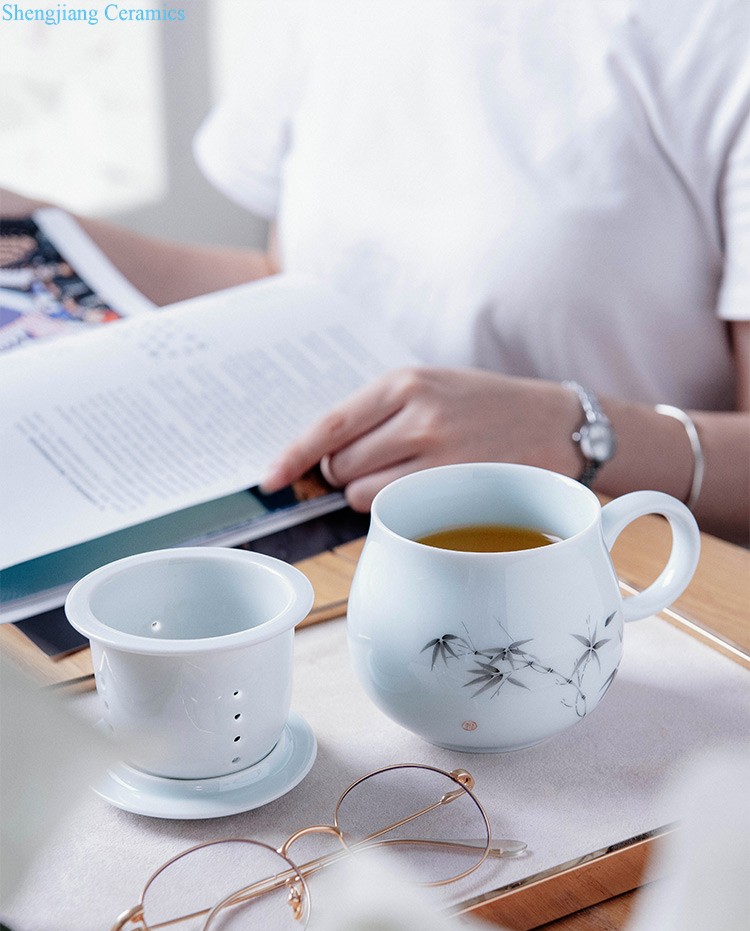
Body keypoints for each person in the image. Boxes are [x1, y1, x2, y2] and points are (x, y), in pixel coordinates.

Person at [3, 0, 748, 542]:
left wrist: (577, 431)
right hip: (355, 541)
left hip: (617, 573)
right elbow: (303, 286)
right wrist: (38, 228)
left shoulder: (717, 38)